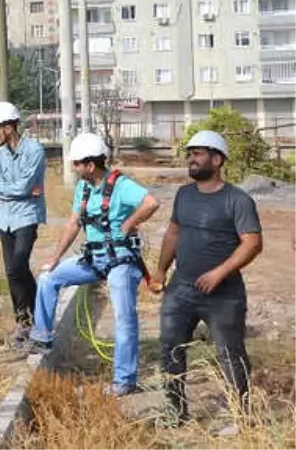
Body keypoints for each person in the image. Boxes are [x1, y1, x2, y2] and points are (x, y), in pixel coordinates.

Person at [28, 133, 160, 396]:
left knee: (124, 317)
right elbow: (74, 223)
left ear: (90, 165)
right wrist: (55, 258)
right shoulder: (84, 189)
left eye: (76, 164)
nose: (73, 169)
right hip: (95, 258)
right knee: (47, 279)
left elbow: (151, 202)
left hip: (122, 261)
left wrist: (128, 224)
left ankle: (125, 380)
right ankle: (42, 337)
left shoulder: (122, 186)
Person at [155, 130, 263, 428]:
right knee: (170, 348)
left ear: (216, 159)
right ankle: (175, 412)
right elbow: (173, 233)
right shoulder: (184, 194)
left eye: (198, 153)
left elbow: (252, 242)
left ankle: (241, 417)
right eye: (189, 154)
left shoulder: (237, 200)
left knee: (230, 354)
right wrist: (162, 270)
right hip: (181, 289)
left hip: (224, 295)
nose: (191, 159)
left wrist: (219, 272)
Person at [0, 101, 46, 344]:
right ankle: (23, 321)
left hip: (27, 216)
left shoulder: (34, 151)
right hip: (6, 218)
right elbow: (0, 187)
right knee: (11, 271)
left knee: (20, 264)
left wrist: (3, 188)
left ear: (8, 127)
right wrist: (10, 189)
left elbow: (19, 186)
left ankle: (39, 311)